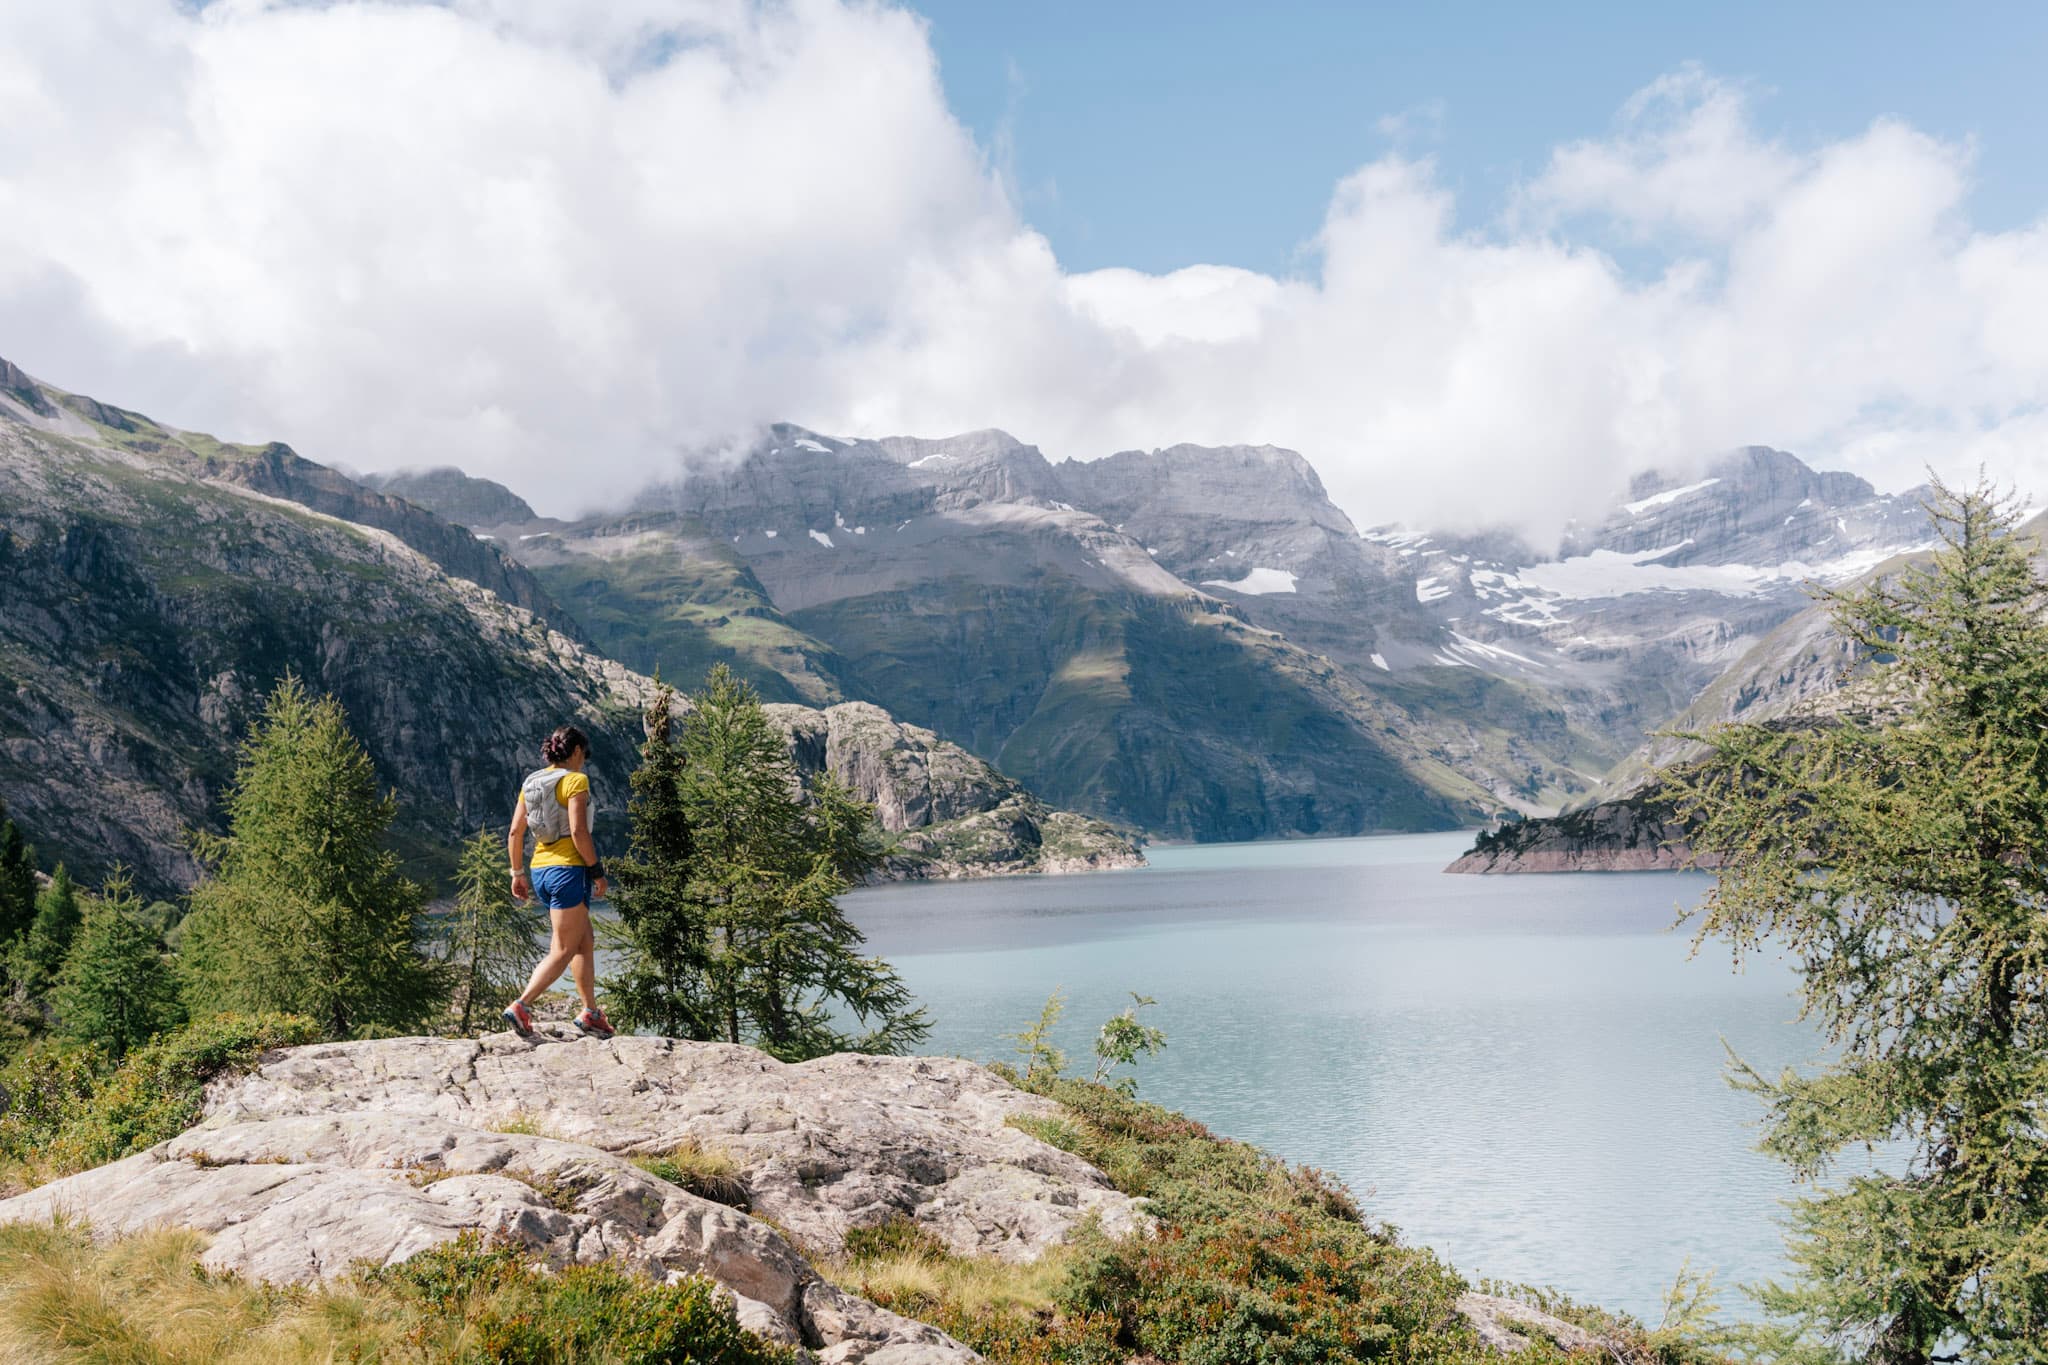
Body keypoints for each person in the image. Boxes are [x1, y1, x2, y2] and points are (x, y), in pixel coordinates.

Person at [503, 724, 615, 1039]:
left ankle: (590, 1011)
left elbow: (515, 832)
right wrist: (596, 870)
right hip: (568, 871)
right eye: (584, 755)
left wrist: (517, 873)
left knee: (583, 939)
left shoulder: (532, 781)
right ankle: (521, 1005)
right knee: (564, 947)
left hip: (540, 870)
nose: (584, 761)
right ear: (577, 751)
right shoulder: (575, 780)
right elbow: (579, 831)